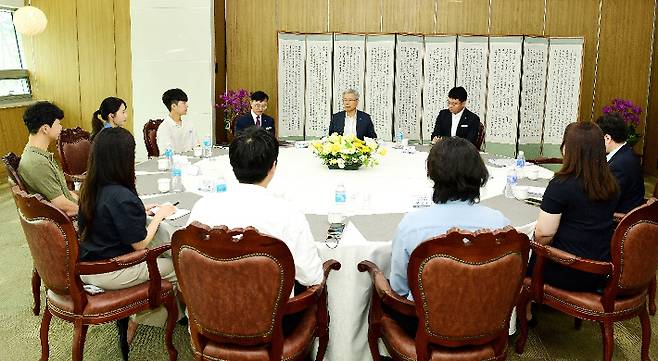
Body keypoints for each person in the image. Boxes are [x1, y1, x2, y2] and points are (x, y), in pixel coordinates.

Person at [187, 126, 324, 288]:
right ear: (273, 166)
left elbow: (188, 261)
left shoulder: (203, 206)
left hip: (208, 306)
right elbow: (311, 277)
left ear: (232, 165)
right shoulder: (287, 214)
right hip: (270, 311)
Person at [77, 127, 180, 331]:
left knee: (165, 248)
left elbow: (109, 214)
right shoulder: (122, 196)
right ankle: (167, 319)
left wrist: (139, 211)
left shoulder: (92, 186)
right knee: (180, 265)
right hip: (109, 269)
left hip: (88, 263)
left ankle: (161, 313)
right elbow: (140, 245)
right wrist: (160, 215)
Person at [390, 137, 510, 300]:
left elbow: (399, 288)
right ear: (479, 173)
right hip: (486, 316)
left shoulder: (412, 226)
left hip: (425, 320)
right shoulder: (499, 223)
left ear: (432, 174)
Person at [531, 122, 619, 292]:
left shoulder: (561, 185)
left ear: (567, 149)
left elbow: (543, 234)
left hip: (569, 268)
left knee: (517, 255)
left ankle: (526, 310)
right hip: (601, 268)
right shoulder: (610, 182)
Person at [18, 101, 79, 216]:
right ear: (45, 129)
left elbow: (64, 194)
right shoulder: (37, 163)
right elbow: (63, 206)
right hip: (70, 218)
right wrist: (93, 213)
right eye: (58, 124)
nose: (61, 127)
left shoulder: (35, 153)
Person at [595, 113, 645, 213]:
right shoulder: (625, 153)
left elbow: (606, 201)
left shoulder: (620, 164)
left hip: (618, 221)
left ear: (607, 138)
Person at [157, 88, 197, 153]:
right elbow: (166, 154)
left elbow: (196, 146)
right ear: (174, 106)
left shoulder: (189, 125)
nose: (187, 105)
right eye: (184, 103)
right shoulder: (164, 128)